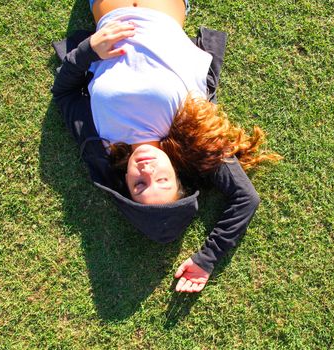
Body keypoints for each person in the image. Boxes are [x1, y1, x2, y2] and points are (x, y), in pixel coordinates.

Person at [51, 0, 279, 293]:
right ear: (177, 175)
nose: (146, 170)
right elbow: (246, 198)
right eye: (161, 179)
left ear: (126, 185)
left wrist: (90, 50)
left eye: (140, 186)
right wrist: (207, 259)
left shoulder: (102, 142)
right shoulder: (195, 138)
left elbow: (64, 93)